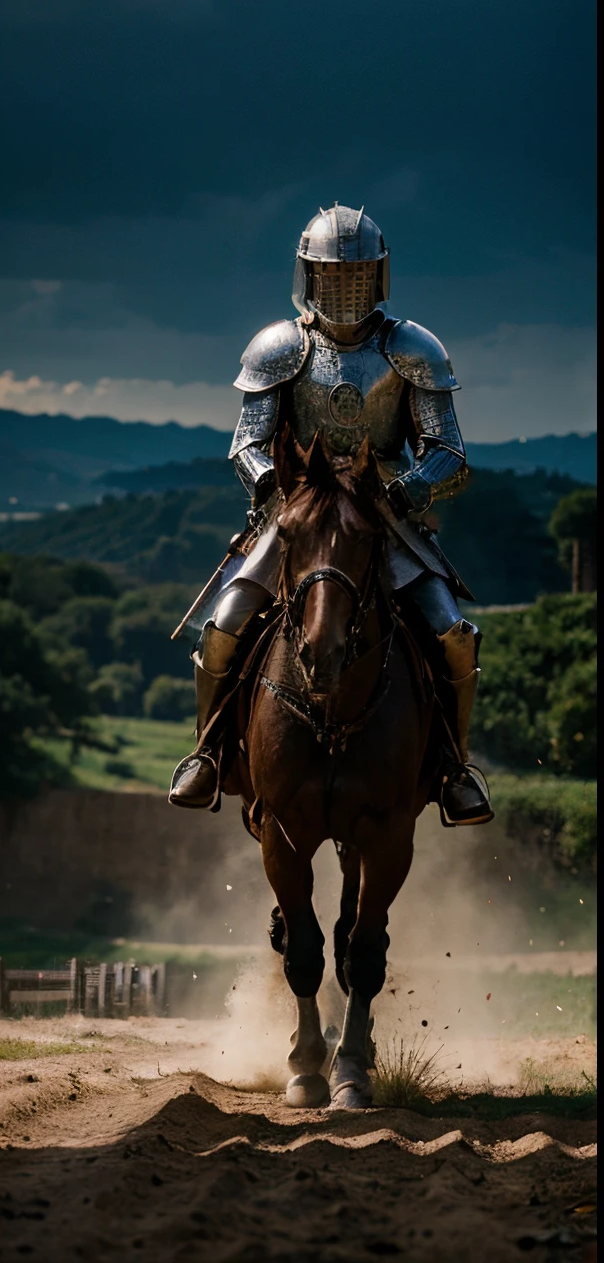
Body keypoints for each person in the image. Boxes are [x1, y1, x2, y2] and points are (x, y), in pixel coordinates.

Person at [168, 202, 493, 826]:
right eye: (332, 275)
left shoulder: (412, 349)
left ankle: (454, 767)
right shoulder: (278, 347)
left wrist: (413, 489)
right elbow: (248, 443)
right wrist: (272, 485)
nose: (345, 289)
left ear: (379, 276)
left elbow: (448, 449)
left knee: (453, 634)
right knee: (223, 623)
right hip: (300, 514)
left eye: (357, 275)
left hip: (385, 515)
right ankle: (207, 751)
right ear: (308, 275)